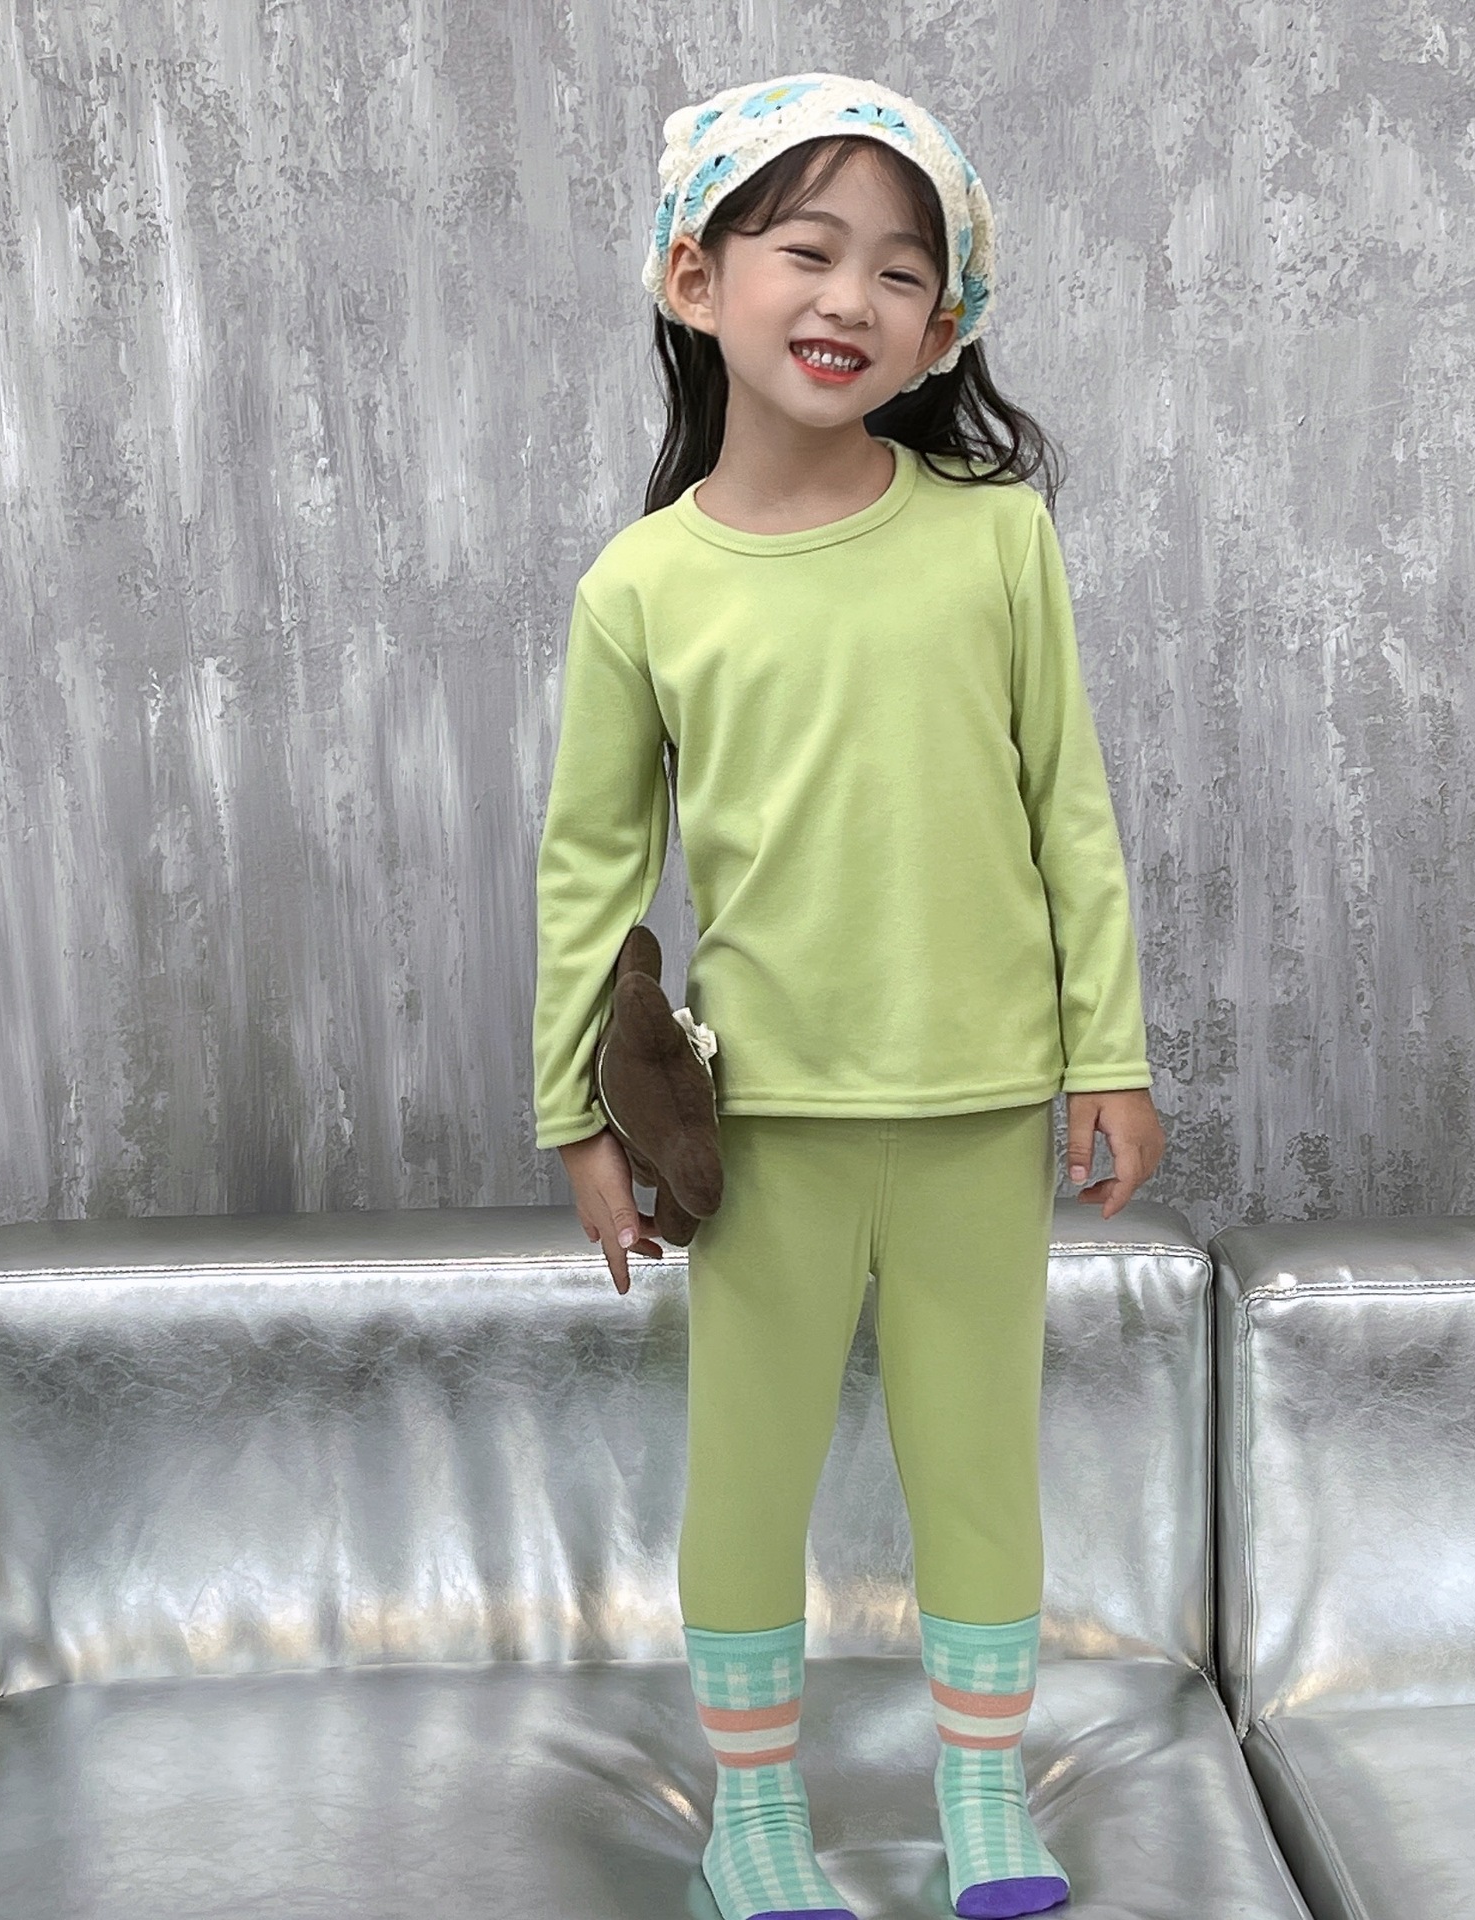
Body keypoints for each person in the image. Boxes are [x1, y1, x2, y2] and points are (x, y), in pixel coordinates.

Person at [529, 72, 1168, 1920]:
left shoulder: (996, 538)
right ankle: (751, 1815)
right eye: (807, 249)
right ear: (695, 276)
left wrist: (1111, 1056)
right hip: (768, 1127)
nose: (851, 297)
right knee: (747, 1476)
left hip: (985, 1101)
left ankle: (984, 1792)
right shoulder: (642, 587)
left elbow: (1069, 811)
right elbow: (590, 869)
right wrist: (577, 1113)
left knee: (981, 1468)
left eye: (903, 271)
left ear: (944, 328)